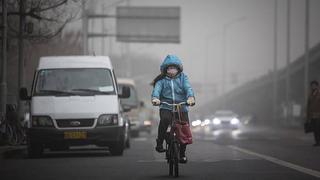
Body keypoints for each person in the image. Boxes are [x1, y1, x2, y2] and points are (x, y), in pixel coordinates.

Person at [151, 55, 195, 163]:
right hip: (166, 106)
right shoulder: (161, 80)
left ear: (178, 69)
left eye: (174, 68)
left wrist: (190, 97)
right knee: (165, 120)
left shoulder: (183, 78)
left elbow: (188, 87)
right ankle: (160, 143)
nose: (172, 70)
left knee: (184, 128)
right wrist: (155, 98)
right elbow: (157, 90)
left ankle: (182, 154)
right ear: (165, 69)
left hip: (181, 107)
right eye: (169, 68)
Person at [307, 80, 320, 147]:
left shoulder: (319, 93)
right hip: (312, 114)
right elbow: (308, 105)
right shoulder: (310, 94)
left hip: (318, 114)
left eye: (314, 85)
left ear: (317, 86)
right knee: (314, 129)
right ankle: (317, 142)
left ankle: (318, 142)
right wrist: (307, 114)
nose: (313, 86)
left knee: (318, 128)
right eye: (312, 85)